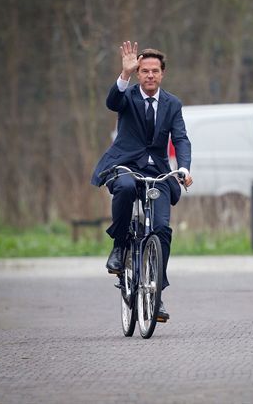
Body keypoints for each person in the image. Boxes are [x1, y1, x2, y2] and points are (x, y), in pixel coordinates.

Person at [91, 41, 193, 322]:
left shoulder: (172, 103)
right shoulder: (128, 96)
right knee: (123, 187)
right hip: (124, 164)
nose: (149, 75)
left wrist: (182, 168)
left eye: (155, 71)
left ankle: (156, 295)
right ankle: (120, 246)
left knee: (161, 230)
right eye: (144, 70)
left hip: (158, 172)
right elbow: (112, 102)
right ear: (138, 73)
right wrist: (123, 75)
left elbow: (181, 138)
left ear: (162, 74)